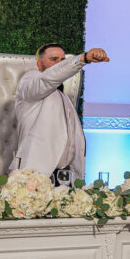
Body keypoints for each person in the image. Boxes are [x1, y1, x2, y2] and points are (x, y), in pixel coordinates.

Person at [12, 43, 109, 183]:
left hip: (64, 179)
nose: (59, 64)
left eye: (63, 60)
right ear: (39, 64)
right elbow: (48, 78)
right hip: (35, 177)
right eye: (53, 59)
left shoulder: (63, 96)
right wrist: (83, 58)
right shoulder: (30, 82)